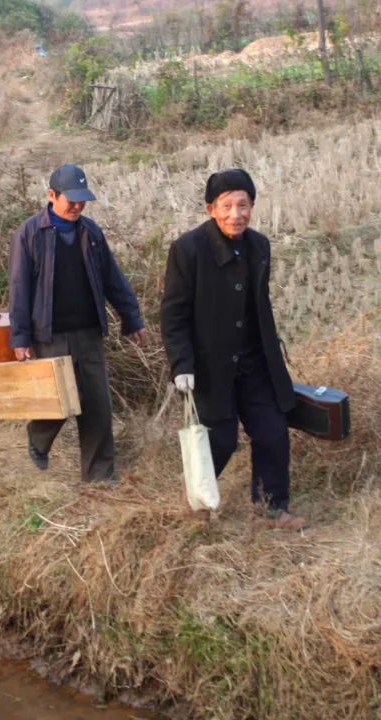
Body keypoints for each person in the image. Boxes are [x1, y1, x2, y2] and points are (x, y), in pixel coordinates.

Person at [160, 168, 308, 530]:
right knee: (220, 442)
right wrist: (182, 364)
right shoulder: (188, 250)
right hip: (210, 367)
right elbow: (173, 313)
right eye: (227, 206)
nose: (235, 214)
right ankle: (198, 504)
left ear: (253, 206)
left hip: (255, 363)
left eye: (243, 205)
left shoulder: (259, 246)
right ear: (211, 208)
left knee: (272, 432)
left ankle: (271, 507)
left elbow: (258, 306)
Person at [8, 164, 145, 483]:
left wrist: (132, 317)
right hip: (49, 333)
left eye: (83, 200)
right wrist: (20, 338)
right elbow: (19, 288)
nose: (78, 206)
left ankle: (99, 474)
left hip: (88, 331)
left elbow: (113, 278)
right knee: (59, 402)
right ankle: (38, 438)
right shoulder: (29, 234)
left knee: (96, 402)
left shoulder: (91, 232)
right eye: (72, 200)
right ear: (52, 196)